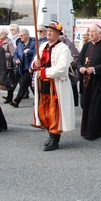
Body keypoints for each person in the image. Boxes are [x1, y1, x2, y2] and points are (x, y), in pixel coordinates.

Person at [32, 21, 75, 151]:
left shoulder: (64, 49)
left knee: (55, 112)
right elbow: (35, 62)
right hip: (43, 83)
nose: (49, 33)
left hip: (56, 85)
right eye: (48, 30)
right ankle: (50, 134)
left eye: (52, 31)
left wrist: (44, 72)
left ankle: (55, 139)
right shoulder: (43, 46)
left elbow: (62, 68)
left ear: (58, 33)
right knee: (44, 110)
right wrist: (36, 64)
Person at [11, 28, 36, 107]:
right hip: (22, 67)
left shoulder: (34, 42)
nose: (20, 37)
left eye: (22, 35)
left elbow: (37, 53)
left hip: (30, 67)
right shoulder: (20, 44)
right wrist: (16, 59)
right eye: (19, 35)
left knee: (23, 83)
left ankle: (16, 101)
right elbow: (15, 54)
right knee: (31, 86)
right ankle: (39, 99)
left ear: (27, 35)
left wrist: (29, 51)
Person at [0, 28, 16, 105]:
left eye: (2, 33)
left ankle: (9, 97)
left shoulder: (9, 42)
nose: (0, 35)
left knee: (8, 81)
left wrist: (2, 55)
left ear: (6, 34)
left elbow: (12, 54)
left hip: (7, 65)